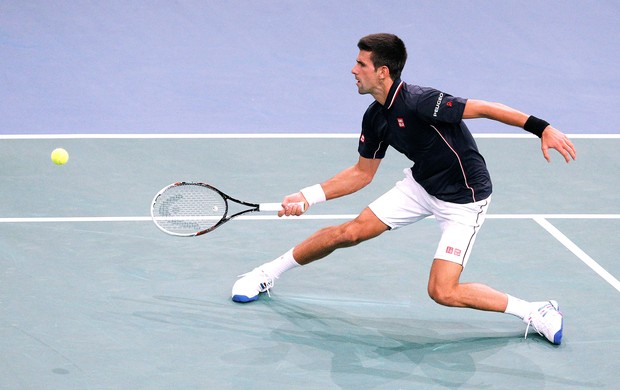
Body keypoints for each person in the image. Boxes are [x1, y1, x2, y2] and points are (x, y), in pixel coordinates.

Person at [231, 33, 576, 345]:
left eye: (361, 63)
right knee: (348, 233)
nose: (353, 70)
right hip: (421, 185)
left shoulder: (421, 101)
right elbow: (361, 174)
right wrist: (308, 195)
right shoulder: (375, 116)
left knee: (442, 291)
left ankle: (534, 311)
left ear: (382, 71)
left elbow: (484, 108)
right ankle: (265, 274)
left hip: (464, 200)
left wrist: (541, 128)